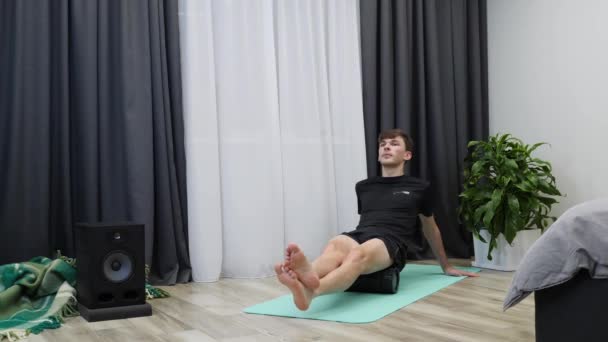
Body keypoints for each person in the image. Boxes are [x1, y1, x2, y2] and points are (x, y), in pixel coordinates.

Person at [275, 128, 479, 311]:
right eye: (383, 145)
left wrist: (446, 266)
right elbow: (366, 220)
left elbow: (430, 228)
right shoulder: (363, 186)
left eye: (394, 144)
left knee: (358, 254)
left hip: (392, 242)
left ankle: (312, 292)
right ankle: (307, 274)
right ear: (378, 154)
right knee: (337, 243)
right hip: (362, 233)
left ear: (407, 155)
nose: (386, 147)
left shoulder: (420, 187)